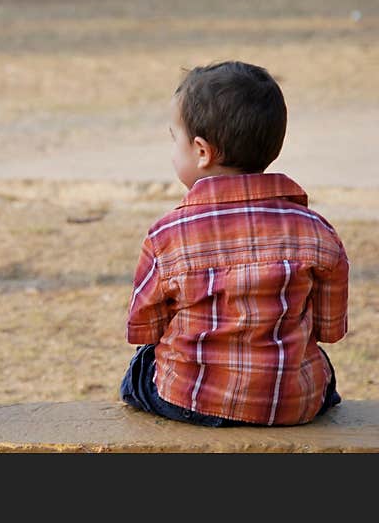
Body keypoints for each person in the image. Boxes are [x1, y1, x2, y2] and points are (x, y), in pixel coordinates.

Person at [120, 61, 348, 427]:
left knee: (141, 366)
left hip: (191, 399)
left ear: (201, 151)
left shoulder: (167, 235)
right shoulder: (316, 230)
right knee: (317, 364)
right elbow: (330, 329)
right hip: (292, 404)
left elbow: (142, 329)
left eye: (173, 139)